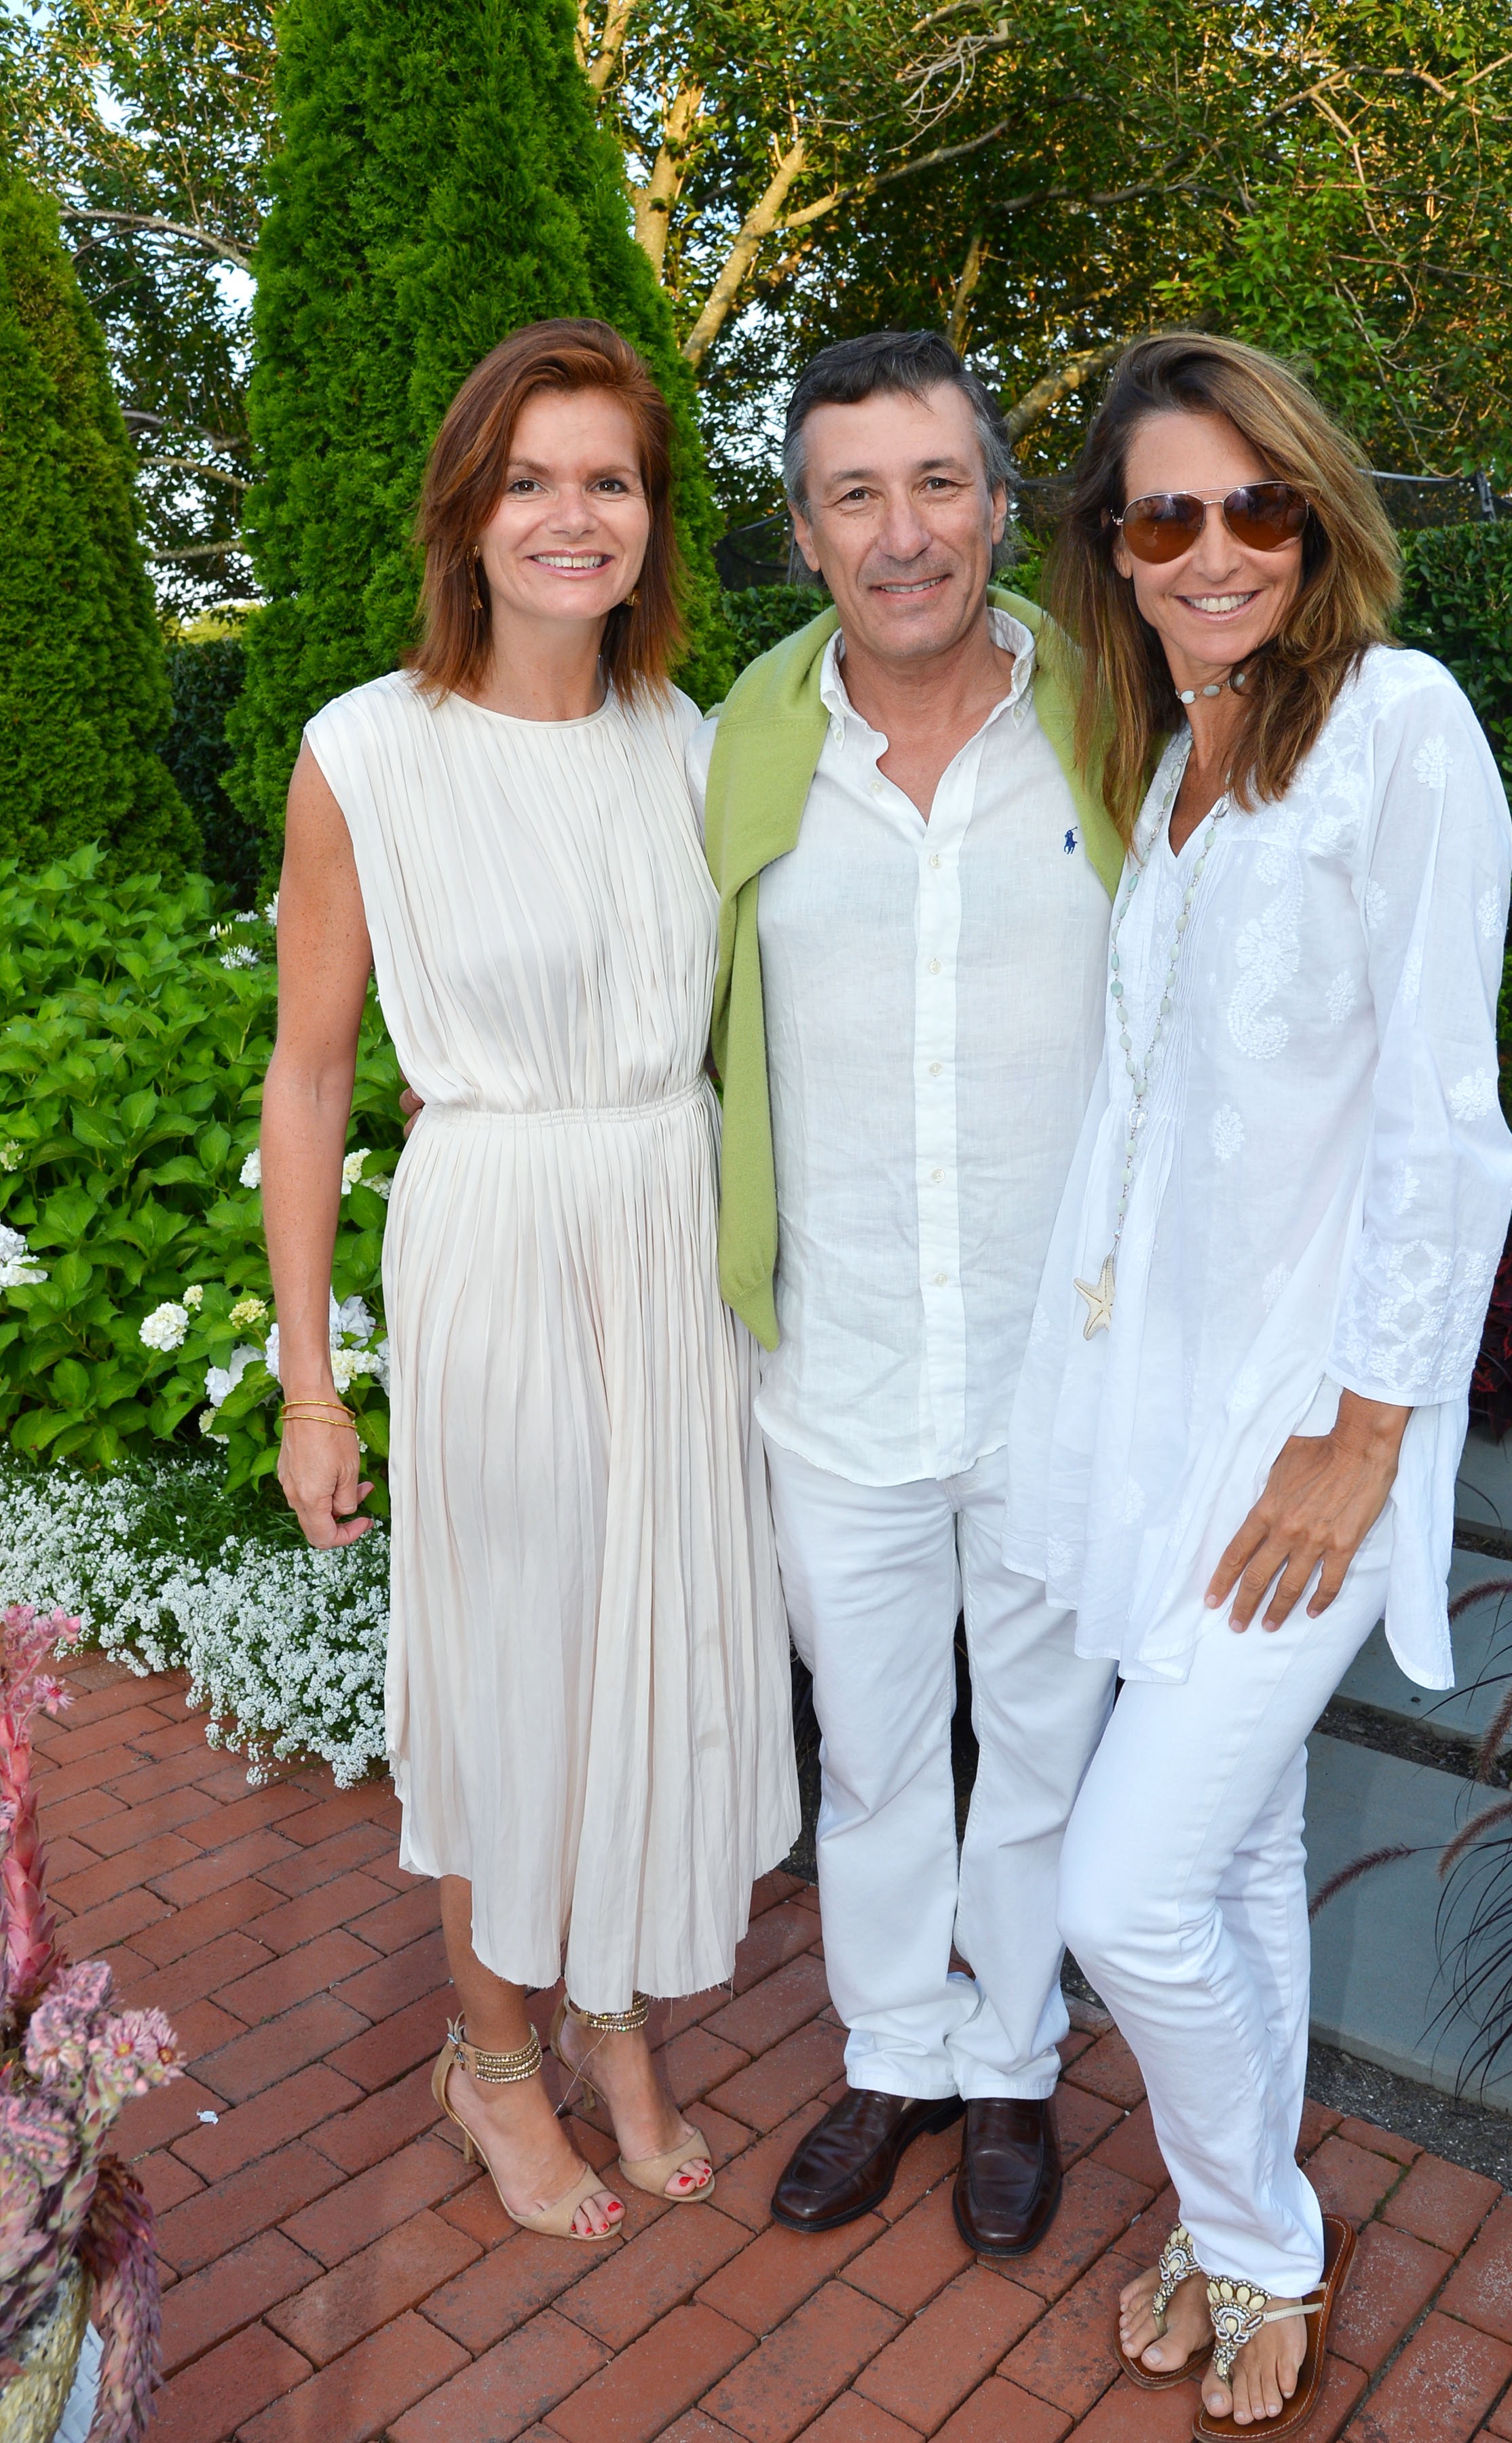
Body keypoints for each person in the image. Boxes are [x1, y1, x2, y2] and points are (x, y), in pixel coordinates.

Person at [1004, 334, 1512, 2431]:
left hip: (1312, 1425)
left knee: (1119, 1890)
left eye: (1257, 508)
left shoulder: (1402, 730)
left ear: (1320, 519)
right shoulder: (1185, 772)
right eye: (1165, 517)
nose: (1216, 551)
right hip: (1158, 1408)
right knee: (1214, 1862)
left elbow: (1443, 1124)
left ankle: (1253, 2237)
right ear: (1117, 556)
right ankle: (1246, 2222)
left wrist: (1371, 1429)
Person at [263, 318, 797, 2246]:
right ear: (467, 515)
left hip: (666, 1246)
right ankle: (491, 2056)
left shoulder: (701, 745)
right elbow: (314, 1073)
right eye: (533, 479)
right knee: (514, 1666)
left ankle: (615, 2016)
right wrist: (313, 1384)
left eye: (613, 480)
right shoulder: (367, 756)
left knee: (652, 1644)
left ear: (655, 522)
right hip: (495, 1237)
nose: (573, 515)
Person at [691, 330, 1125, 2254]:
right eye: (855, 494)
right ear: (804, 536)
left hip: (1066, 1369)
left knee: (1040, 1749)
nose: (902, 531)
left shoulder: (1120, 725)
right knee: (873, 1759)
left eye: (936, 482)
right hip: (843, 1362)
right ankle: (894, 2059)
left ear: (1003, 503)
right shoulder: (743, 748)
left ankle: (1013, 2073)